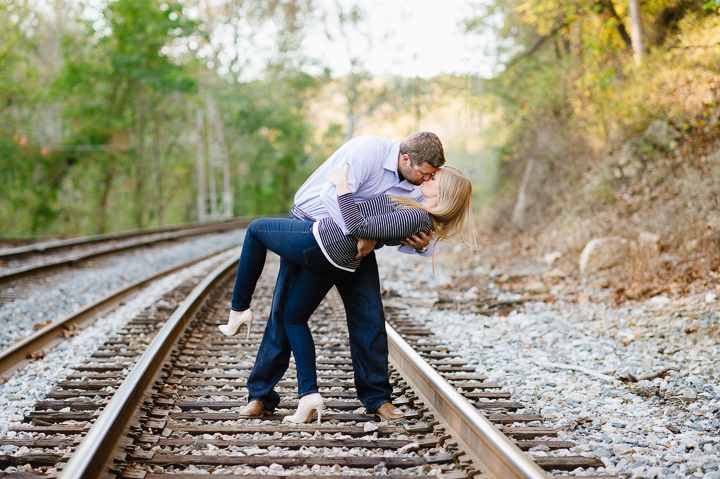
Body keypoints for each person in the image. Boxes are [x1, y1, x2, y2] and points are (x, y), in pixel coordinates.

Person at [220, 164, 474, 423]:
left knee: (368, 319)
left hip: (332, 242)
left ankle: (376, 398)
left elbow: (387, 224)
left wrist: (419, 243)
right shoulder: (373, 157)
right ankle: (263, 394)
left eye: (433, 176)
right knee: (287, 313)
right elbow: (388, 221)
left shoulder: (419, 191)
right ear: (407, 159)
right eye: (428, 172)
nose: (427, 177)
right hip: (319, 229)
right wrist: (371, 231)